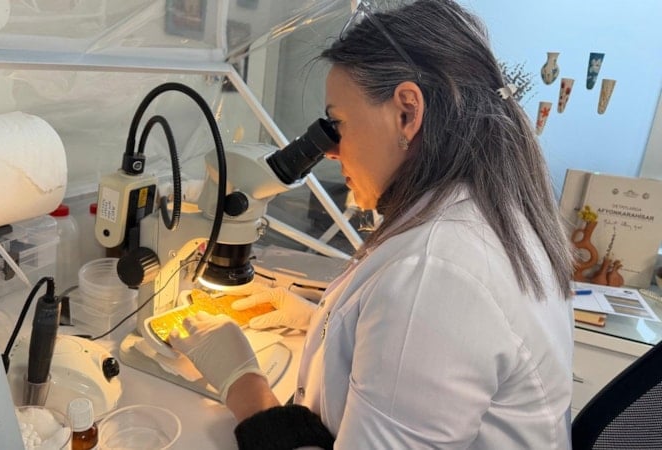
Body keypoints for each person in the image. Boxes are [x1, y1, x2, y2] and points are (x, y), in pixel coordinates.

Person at [168, 0, 575, 448]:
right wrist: (319, 321)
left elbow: (424, 318)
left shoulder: (435, 273)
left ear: (407, 112)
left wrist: (245, 387)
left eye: (338, 123)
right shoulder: (493, 215)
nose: (330, 151)